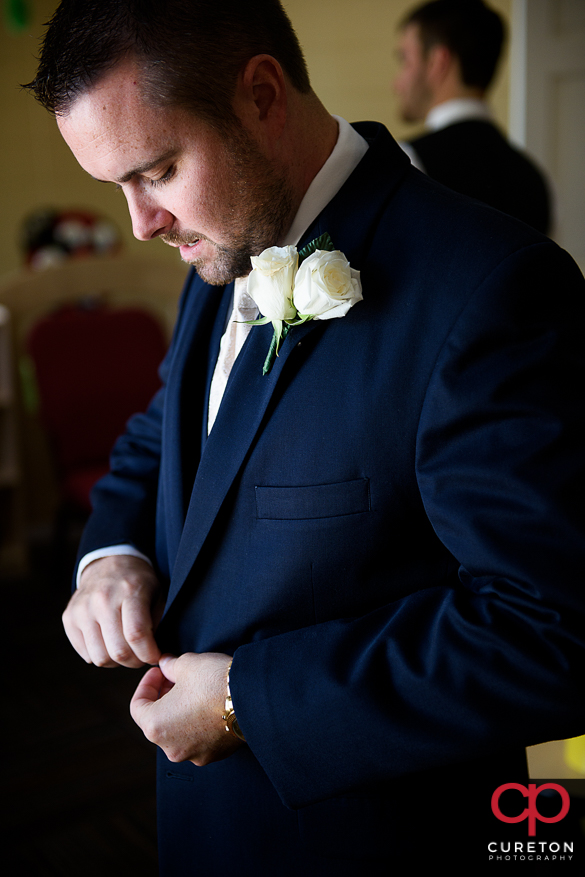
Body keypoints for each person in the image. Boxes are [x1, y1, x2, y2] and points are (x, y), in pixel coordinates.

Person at [26, 1, 585, 873]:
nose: (141, 222)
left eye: (160, 169)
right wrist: (111, 557)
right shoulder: (217, 250)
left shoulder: (489, 289)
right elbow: (161, 437)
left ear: (259, 95)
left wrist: (248, 700)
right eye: (117, 187)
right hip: (207, 829)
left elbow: (552, 630)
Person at [394, 0, 552, 233]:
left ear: (439, 62)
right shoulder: (540, 181)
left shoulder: (405, 163)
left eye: (405, 60)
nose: (396, 84)